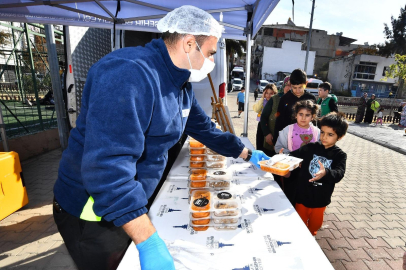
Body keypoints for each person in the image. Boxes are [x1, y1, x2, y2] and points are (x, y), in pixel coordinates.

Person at [52, 6, 270, 270]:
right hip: (93, 210)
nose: (211, 63)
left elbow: (205, 129)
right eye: (211, 54)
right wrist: (148, 242)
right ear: (189, 44)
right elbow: (106, 170)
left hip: (128, 202)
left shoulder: (179, 84)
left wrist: (247, 153)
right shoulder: (129, 73)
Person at [287, 112, 348, 236]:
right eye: (322, 132)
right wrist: (285, 156)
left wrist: (326, 172)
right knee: (299, 223)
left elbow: (339, 173)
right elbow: (294, 155)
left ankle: (311, 235)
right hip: (302, 195)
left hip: (320, 198)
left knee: (315, 224)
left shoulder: (340, 155)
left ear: (340, 137)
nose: (324, 137)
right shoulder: (311, 147)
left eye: (330, 134)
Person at [274, 100, 320, 205]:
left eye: (307, 115)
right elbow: (278, 147)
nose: (303, 118)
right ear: (295, 115)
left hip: (309, 171)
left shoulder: (317, 132)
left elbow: (320, 151)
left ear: (312, 116)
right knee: (290, 195)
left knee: (305, 197)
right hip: (292, 170)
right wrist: (286, 155)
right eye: (301, 114)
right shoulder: (287, 130)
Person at [273, 69, 316, 144]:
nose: (297, 91)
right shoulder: (285, 98)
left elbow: (314, 121)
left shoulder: (311, 98)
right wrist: (276, 141)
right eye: (294, 88)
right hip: (288, 139)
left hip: (306, 139)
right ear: (290, 85)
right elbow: (279, 121)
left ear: (306, 83)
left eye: (300, 87)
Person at [260, 76, 291, 155]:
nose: (290, 88)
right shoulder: (275, 99)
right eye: (288, 85)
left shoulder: (297, 101)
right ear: (283, 85)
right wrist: (267, 133)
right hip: (272, 139)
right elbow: (263, 117)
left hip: (289, 142)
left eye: (292, 86)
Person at [253, 84, 277, 155]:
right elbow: (256, 109)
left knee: (268, 146)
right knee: (260, 145)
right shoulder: (262, 101)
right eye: (266, 93)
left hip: (271, 126)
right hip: (261, 125)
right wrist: (262, 98)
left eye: (271, 93)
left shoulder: (275, 102)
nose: (268, 95)